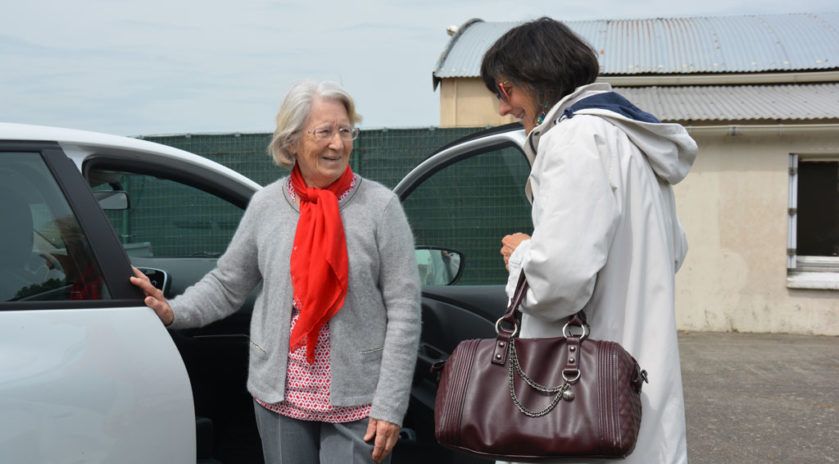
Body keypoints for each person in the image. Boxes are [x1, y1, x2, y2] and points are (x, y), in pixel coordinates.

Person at [130, 80, 421, 464]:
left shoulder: (380, 208)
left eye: (346, 131)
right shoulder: (267, 206)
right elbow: (227, 284)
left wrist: (390, 406)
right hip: (281, 395)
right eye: (324, 132)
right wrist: (174, 311)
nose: (338, 143)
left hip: (358, 399)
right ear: (292, 142)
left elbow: (405, 311)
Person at [482, 17, 697, 464]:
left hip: (581, 410)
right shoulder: (632, 141)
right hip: (632, 392)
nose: (504, 108)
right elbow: (673, 250)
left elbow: (559, 281)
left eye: (505, 91)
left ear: (535, 81)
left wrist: (522, 255)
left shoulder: (574, 139)